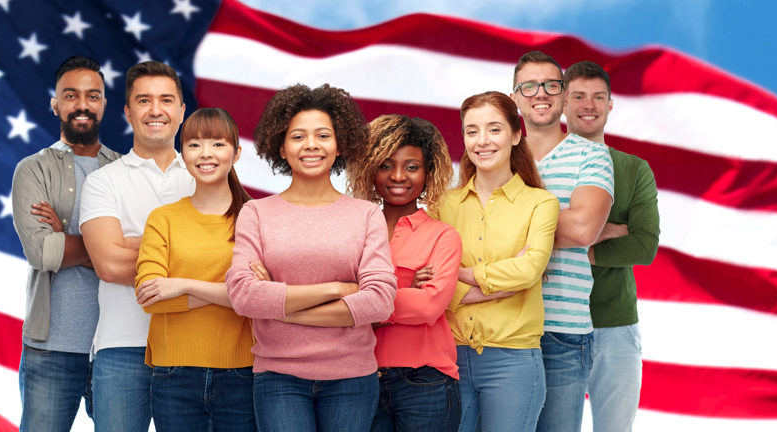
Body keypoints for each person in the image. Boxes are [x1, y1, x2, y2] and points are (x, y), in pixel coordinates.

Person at [225, 83, 398, 432]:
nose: (311, 145)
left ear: (340, 145)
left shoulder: (366, 214)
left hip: (352, 378)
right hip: (278, 377)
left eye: (323, 135)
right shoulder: (256, 213)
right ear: (282, 147)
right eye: (298, 136)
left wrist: (279, 304)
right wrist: (337, 288)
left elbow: (380, 302)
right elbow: (244, 296)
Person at [430, 91, 560, 432]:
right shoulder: (443, 204)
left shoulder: (540, 203)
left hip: (513, 361)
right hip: (449, 356)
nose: (482, 141)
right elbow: (427, 280)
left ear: (516, 135)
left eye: (494, 129)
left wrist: (461, 274)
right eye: (472, 131)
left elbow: (530, 269)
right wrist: (500, 286)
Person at [80, 61, 195, 432]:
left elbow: (229, 263)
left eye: (166, 99)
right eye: (144, 100)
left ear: (182, 110)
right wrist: (192, 255)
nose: (155, 109)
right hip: (121, 347)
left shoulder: (206, 179)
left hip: (192, 348)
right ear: (128, 112)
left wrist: (135, 244)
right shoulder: (102, 182)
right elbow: (110, 266)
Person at [12, 55, 122, 432]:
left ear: (104, 104)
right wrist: (107, 248)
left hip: (117, 348)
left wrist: (65, 237)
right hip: (49, 349)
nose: (82, 105)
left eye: (93, 96)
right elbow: (43, 253)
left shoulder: (126, 170)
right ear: (55, 103)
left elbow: (147, 255)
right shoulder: (32, 169)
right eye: (71, 95)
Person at [133, 108, 256, 432]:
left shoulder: (257, 218)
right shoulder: (163, 219)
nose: (205, 154)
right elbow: (151, 298)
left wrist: (183, 285)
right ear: (182, 152)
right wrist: (231, 292)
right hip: (174, 373)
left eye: (217, 144)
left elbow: (259, 298)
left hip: (243, 372)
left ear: (237, 152)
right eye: (194, 145)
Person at [512, 51, 615, 432]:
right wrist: (556, 217)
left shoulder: (592, 156)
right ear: (515, 98)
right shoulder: (494, 156)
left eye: (551, 85)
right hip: (499, 327)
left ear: (563, 95)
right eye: (529, 86)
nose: (541, 93)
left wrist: (503, 226)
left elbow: (584, 229)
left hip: (563, 331)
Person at [346, 115, 463, 432]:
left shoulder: (443, 236)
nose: (398, 176)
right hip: (360, 379)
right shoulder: (351, 232)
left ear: (429, 172)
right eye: (386, 165)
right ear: (369, 168)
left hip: (425, 380)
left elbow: (429, 307)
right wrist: (404, 287)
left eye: (412, 166)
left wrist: (367, 301)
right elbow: (334, 296)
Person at [562, 61, 660, 432]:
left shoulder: (634, 168)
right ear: (563, 103)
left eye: (598, 97)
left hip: (616, 325)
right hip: (552, 324)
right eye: (579, 96)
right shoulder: (539, 166)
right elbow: (528, 236)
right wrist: (607, 230)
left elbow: (644, 245)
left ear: (610, 104)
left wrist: (580, 243)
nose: (589, 105)